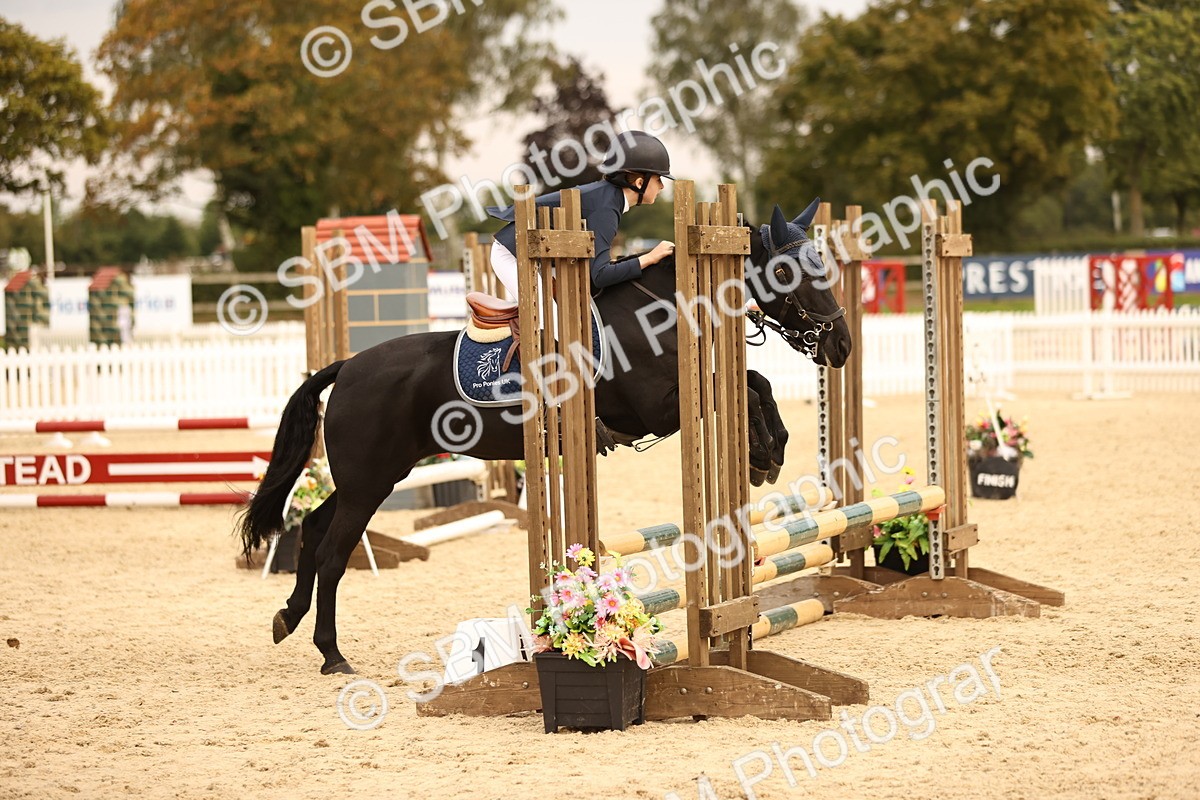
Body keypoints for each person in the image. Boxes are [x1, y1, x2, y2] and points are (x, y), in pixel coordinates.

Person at [485, 131, 677, 298]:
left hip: (541, 255)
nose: (661, 186)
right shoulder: (606, 208)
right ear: (639, 182)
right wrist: (650, 257)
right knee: (552, 324)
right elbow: (600, 276)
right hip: (514, 253)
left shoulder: (609, 199)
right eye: (658, 178)